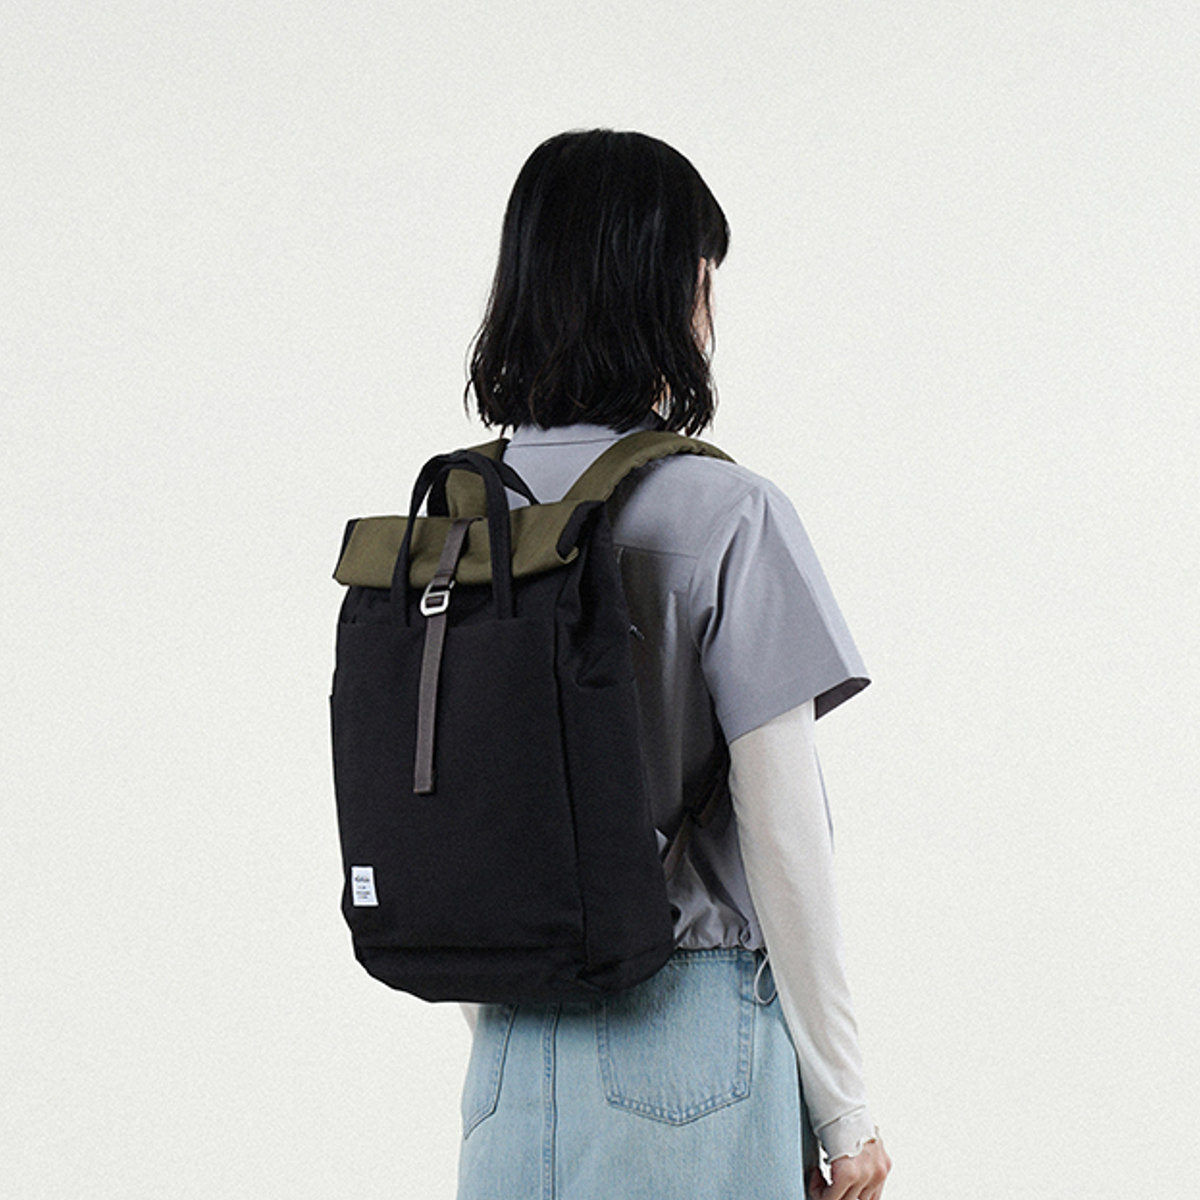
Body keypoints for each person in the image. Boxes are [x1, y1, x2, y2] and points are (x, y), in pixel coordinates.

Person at [454, 129, 891, 1200]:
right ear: (669, 288)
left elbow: (458, 823)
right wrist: (844, 1112)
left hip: (504, 1057)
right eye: (705, 276)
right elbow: (784, 838)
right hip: (689, 1045)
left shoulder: (459, 522)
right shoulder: (728, 512)